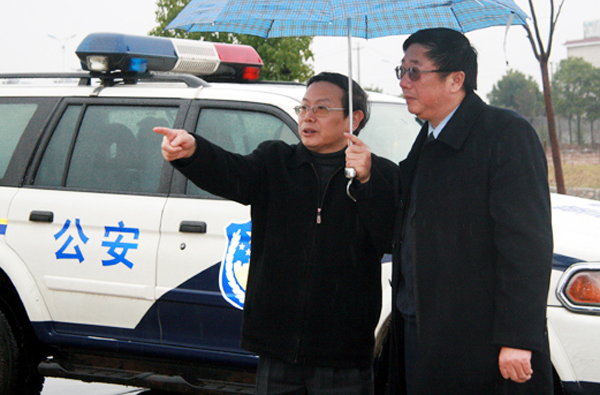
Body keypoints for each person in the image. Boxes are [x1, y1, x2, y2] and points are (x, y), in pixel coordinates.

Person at [154, 72, 398, 395]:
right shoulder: (276, 161)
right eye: (304, 107)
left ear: (353, 119)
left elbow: (389, 238)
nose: (308, 117)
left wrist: (367, 183)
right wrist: (194, 152)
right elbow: (232, 172)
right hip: (277, 348)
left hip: (343, 355)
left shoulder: (381, 175)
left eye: (322, 108)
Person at [347, 28, 554, 394]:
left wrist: (518, 338)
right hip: (419, 327)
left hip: (479, 340)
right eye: (401, 70)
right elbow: (402, 230)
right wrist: (366, 178)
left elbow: (526, 246)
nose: (404, 82)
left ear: (456, 79)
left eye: (414, 71)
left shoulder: (505, 135)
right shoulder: (426, 140)